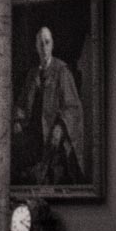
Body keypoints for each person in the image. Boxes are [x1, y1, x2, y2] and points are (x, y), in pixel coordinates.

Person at [12, 26, 84, 186]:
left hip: (53, 140)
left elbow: (73, 107)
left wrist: (60, 126)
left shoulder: (62, 71)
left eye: (47, 42)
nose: (44, 47)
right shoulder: (32, 74)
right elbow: (22, 104)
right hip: (33, 139)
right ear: (36, 47)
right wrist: (17, 120)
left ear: (52, 45)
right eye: (41, 43)